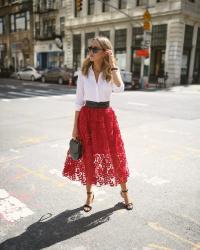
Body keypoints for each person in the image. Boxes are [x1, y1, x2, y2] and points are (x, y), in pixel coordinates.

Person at [63, 36, 133, 212]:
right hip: (86, 118)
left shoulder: (110, 72)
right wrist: (75, 127)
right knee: (88, 157)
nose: (91, 52)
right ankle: (89, 195)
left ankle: (124, 193)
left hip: (105, 118)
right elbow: (78, 101)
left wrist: (113, 63)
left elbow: (120, 88)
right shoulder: (84, 73)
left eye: (95, 49)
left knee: (115, 155)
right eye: (90, 48)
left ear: (105, 52)